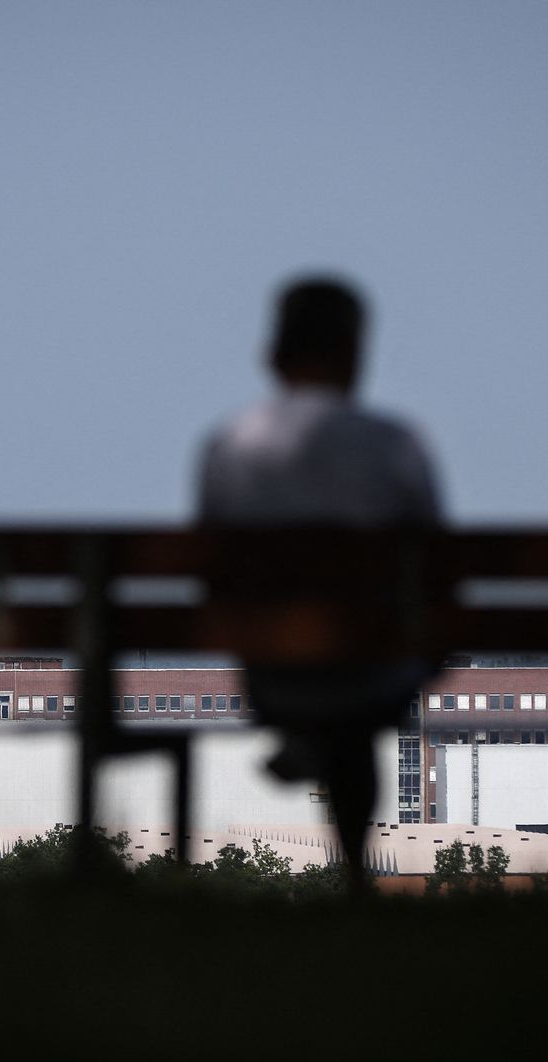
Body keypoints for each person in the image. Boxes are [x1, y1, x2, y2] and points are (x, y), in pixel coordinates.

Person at [196, 276, 443, 889]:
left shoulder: (231, 448)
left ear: (272, 357)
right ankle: (356, 872)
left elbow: (214, 573)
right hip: (374, 667)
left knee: (315, 669)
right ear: (358, 356)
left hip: (273, 671)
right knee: (360, 691)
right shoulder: (396, 446)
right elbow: (436, 565)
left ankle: (303, 733)